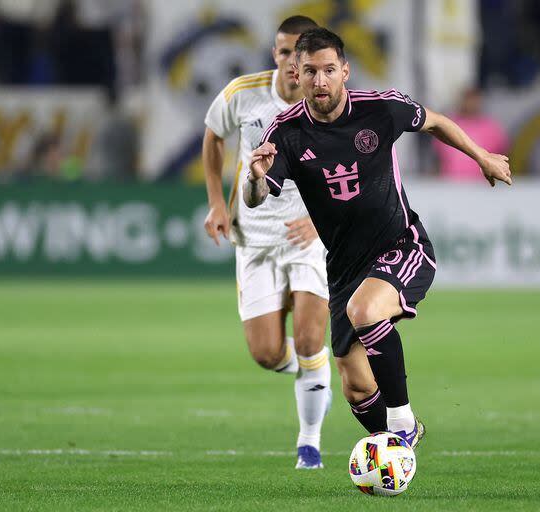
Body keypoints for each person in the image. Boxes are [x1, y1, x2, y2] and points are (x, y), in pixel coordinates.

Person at [244, 28, 511, 447]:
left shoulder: (381, 109)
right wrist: (255, 177)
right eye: (310, 71)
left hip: (402, 245)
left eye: (329, 70)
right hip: (344, 266)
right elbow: (256, 198)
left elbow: (437, 122)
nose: (320, 81)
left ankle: (402, 427)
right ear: (295, 73)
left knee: (365, 310)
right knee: (355, 386)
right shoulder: (285, 134)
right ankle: (395, 448)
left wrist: (483, 157)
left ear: (345, 71)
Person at [201, 16, 332, 470]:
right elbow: (214, 136)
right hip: (254, 240)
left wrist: (322, 223)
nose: (292, 61)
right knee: (267, 353)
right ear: (274, 54)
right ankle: (316, 374)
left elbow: (350, 170)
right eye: (282, 52)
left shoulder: (330, 103)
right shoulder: (244, 93)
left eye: (301, 51)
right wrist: (217, 202)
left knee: (312, 336)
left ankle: (309, 445)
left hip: (307, 238)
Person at [434, 87, 508, 181]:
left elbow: (503, 159)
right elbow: (437, 159)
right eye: (468, 99)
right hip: (450, 184)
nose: (471, 103)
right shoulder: (448, 124)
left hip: (481, 186)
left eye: (474, 99)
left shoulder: (491, 128)